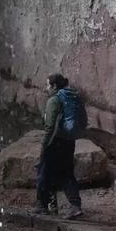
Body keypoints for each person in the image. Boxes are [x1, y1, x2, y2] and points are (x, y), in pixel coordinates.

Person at [33, 73, 83, 219]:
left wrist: (44, 145)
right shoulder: (71, 96)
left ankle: (42, 205)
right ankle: (75, 205)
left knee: (43, 171)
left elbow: (50, 127)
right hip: (69, 141)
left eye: (48, 85)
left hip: (55, 141)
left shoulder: (53, 100)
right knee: (66, 173)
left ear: (54, 86)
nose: (46, 88)